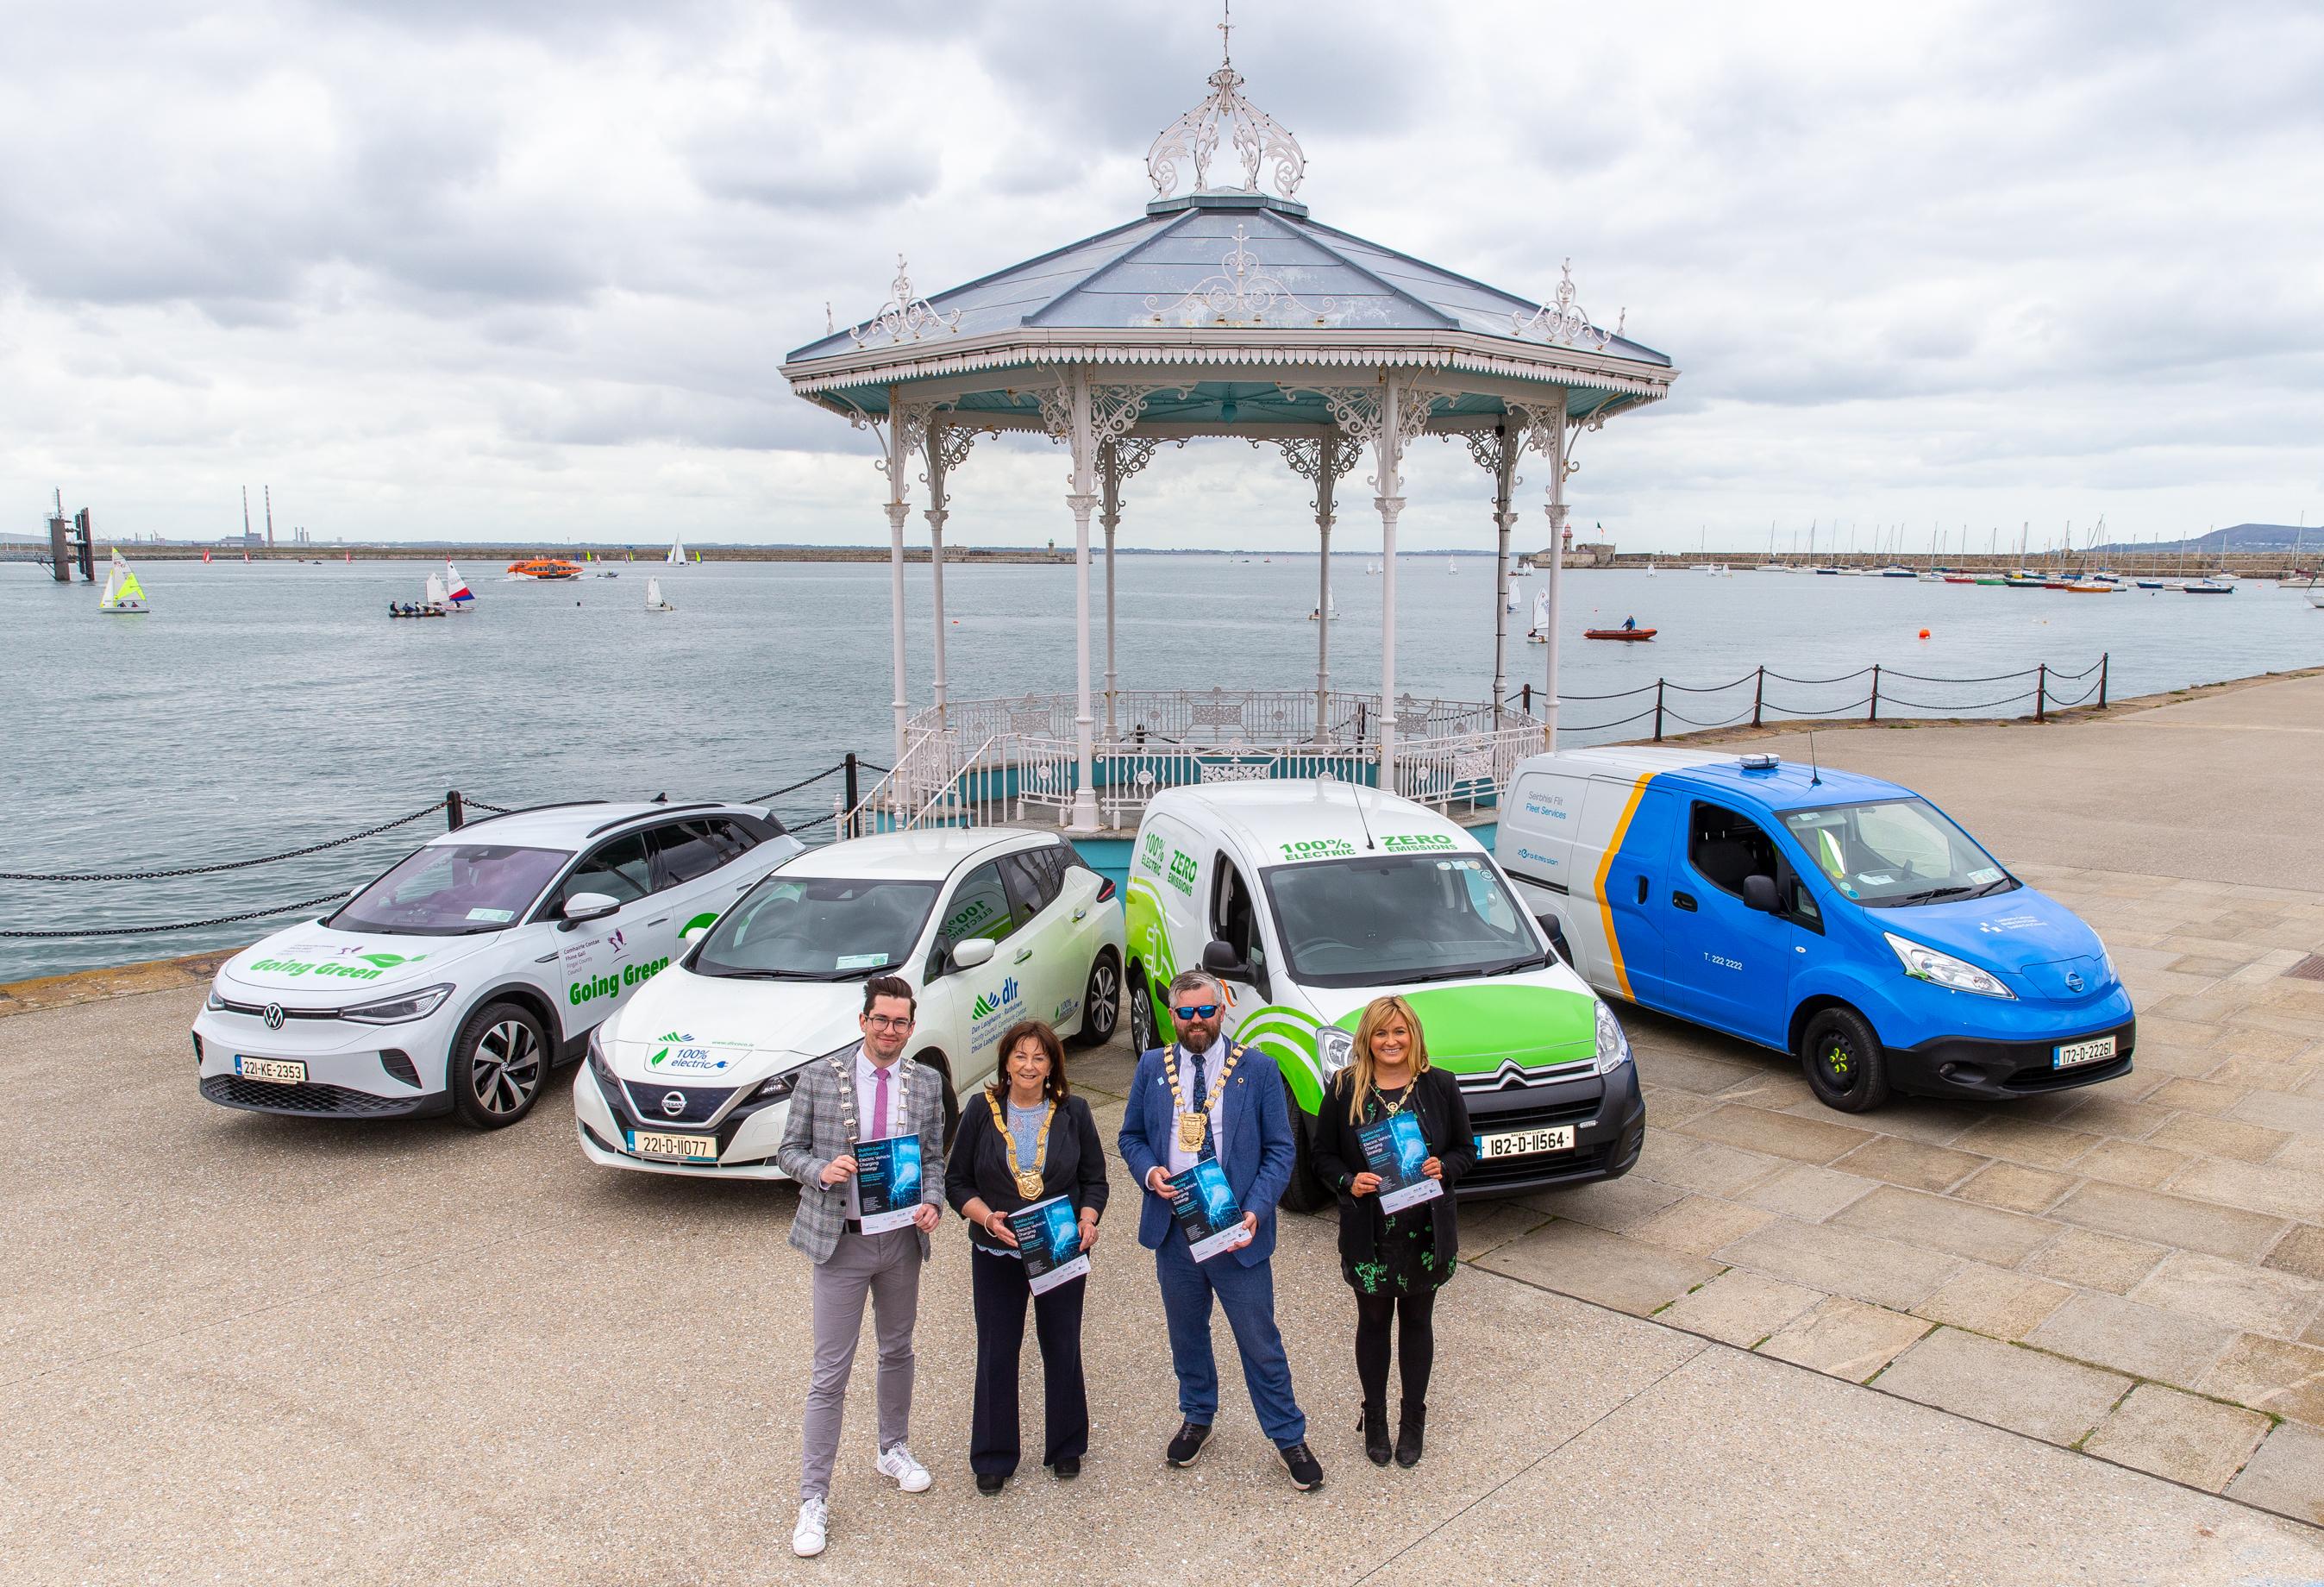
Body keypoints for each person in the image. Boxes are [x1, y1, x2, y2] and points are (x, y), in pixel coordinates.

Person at [1118, 968, 1324, 1491]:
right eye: (1185, 1013)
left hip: (1238, 1231)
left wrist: (1257, 1208)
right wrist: (1149, 1172)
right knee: (1187, 1334)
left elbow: (1281, 1149)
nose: (1196, 1021)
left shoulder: (1258, 1069)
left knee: (1259, 1340)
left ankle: (1287, 1434)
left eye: (1206, 1010)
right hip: (1176, 1230)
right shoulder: (1150, 1067)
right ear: (1172, 1015)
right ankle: (1197, 1415)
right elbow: (1132, 1136)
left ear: (1222, 1009)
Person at [774, 975, 948, 1559]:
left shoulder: (926, 1083)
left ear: (910, 1025)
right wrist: (819, 1171)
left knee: (897, 1349)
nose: (890, 1030)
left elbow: (932, 1160)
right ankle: (812, 1498)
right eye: (881, 1020)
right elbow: (787, 1151)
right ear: (863, 1021)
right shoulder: (820, 1078)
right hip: (840, 1244)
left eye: (900, 1022)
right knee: (830, 1373)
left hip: (899, 1241)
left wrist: (933, 1202)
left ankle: (891, 1447)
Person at [945, 1019, 1109, 1495]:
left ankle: (1066, 1446)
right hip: (996, 1250)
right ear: (1006, 1062)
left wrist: (1089, 1219)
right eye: (1021, 1056)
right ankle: (994, 1455)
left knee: (1062, 1344)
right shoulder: (980, 1109)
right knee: (997, 1349)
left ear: (1052, 1065)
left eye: (1040, 1057)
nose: (1030, 1066)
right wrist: (984, 1218)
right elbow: (957, 1182)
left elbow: (1095, 1179)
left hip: (1059, 1249)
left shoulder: (1074, 1112)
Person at [1310, 994, 1474, 1469]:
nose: (1391, 1041)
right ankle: (1375, 1416)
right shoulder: (1345, 1089)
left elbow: (1467, 1149)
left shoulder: (1440, 1086)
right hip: (1371, 1233)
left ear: (1413, 1035)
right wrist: (1348, 1180)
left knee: (1418, 1323)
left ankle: (1413, 1420)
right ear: (1367, 1038)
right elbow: (1322, 1156)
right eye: (1381, 1033)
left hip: (1425, 1233)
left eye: (1399, 1032)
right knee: (1375, 1322)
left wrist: (1445, 1166)